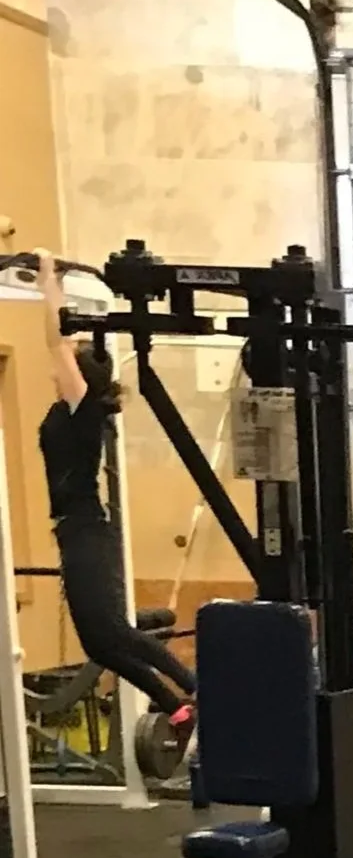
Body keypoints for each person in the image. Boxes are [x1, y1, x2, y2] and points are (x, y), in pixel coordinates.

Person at [35, 251, 197, 722]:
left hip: (87, 530)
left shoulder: (82, 408)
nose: (58, 367)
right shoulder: (73, 409)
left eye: (69, 363)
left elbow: (56, 340)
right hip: (74, 531)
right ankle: (177, 709)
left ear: (80, 376)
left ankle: (198, 687)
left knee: (114, 631)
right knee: (98, 644)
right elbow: (64, 344)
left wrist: (48, 280)